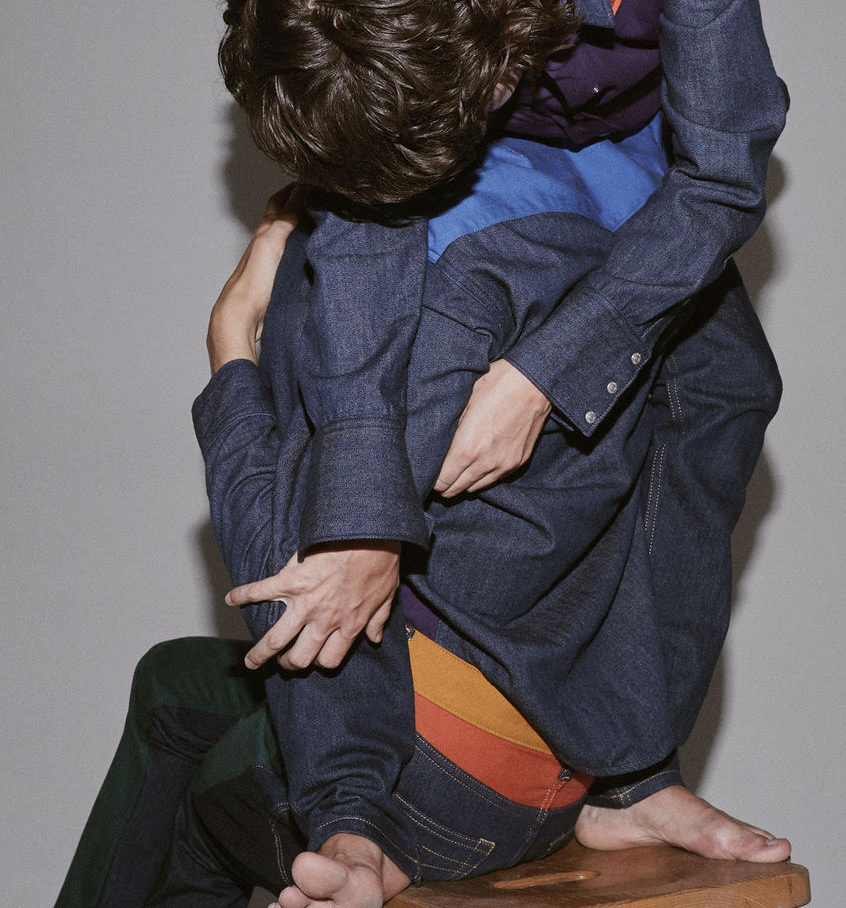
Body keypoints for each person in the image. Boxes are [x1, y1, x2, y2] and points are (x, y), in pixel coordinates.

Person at [214, 0, 788, 849]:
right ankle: (352, 793)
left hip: (653, 179)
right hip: (483, 170)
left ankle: (631, 776)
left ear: (500, 75)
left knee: (727, 385)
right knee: (355, 347)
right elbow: (370, 234)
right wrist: (361, 525)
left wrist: (543, 376)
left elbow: (721, 177)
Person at [55, 169, 789, 908]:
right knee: (169, 679)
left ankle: (338, 845)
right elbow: (727, 402)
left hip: (426, 792)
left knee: (194, 816)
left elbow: (290, 592)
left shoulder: (383, 277)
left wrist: (230, 340)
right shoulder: (637, 234)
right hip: (576, 754)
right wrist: (640, 770)